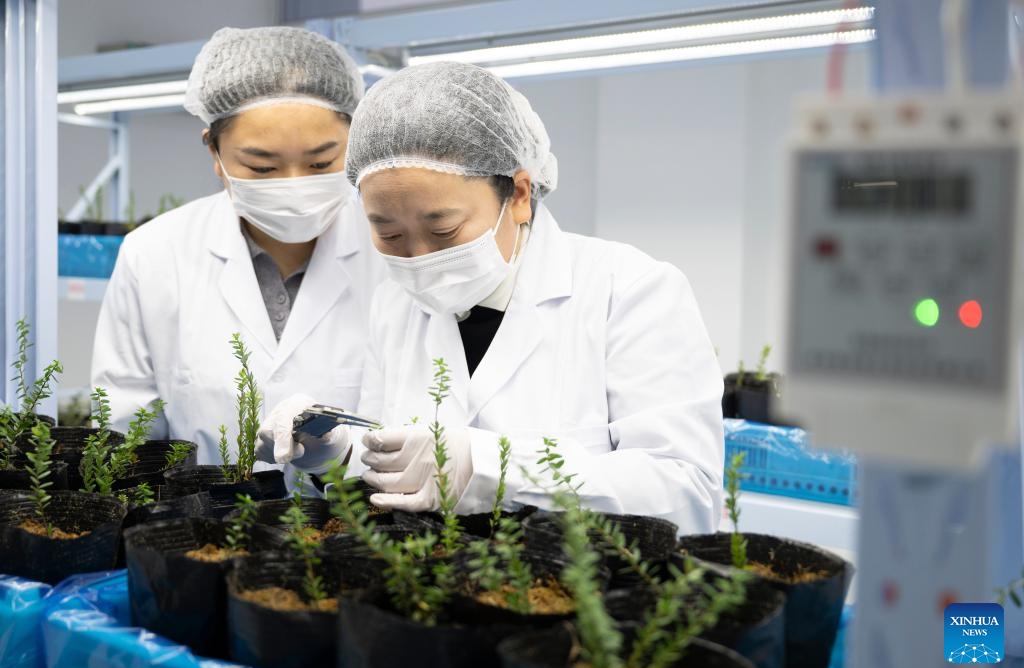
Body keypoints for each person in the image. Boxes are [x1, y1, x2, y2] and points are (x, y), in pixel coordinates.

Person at [262, 62, 723, 532]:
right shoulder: (393, 305)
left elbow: (686, 492)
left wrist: (492, 466)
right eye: (390, 233)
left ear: (519, 193)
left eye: (443, 229)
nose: (419, 257)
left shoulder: (630, 290)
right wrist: (338, 454)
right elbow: (398, 456)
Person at [92, 26, 385, 470]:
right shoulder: (155, 253)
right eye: (262, 167)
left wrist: (342, 457)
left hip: (358, 529)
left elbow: (428, 423)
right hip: (201, 532)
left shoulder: (394, 252)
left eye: (322, 163)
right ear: (214, 151)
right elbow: (126, 425)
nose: (294, 185)